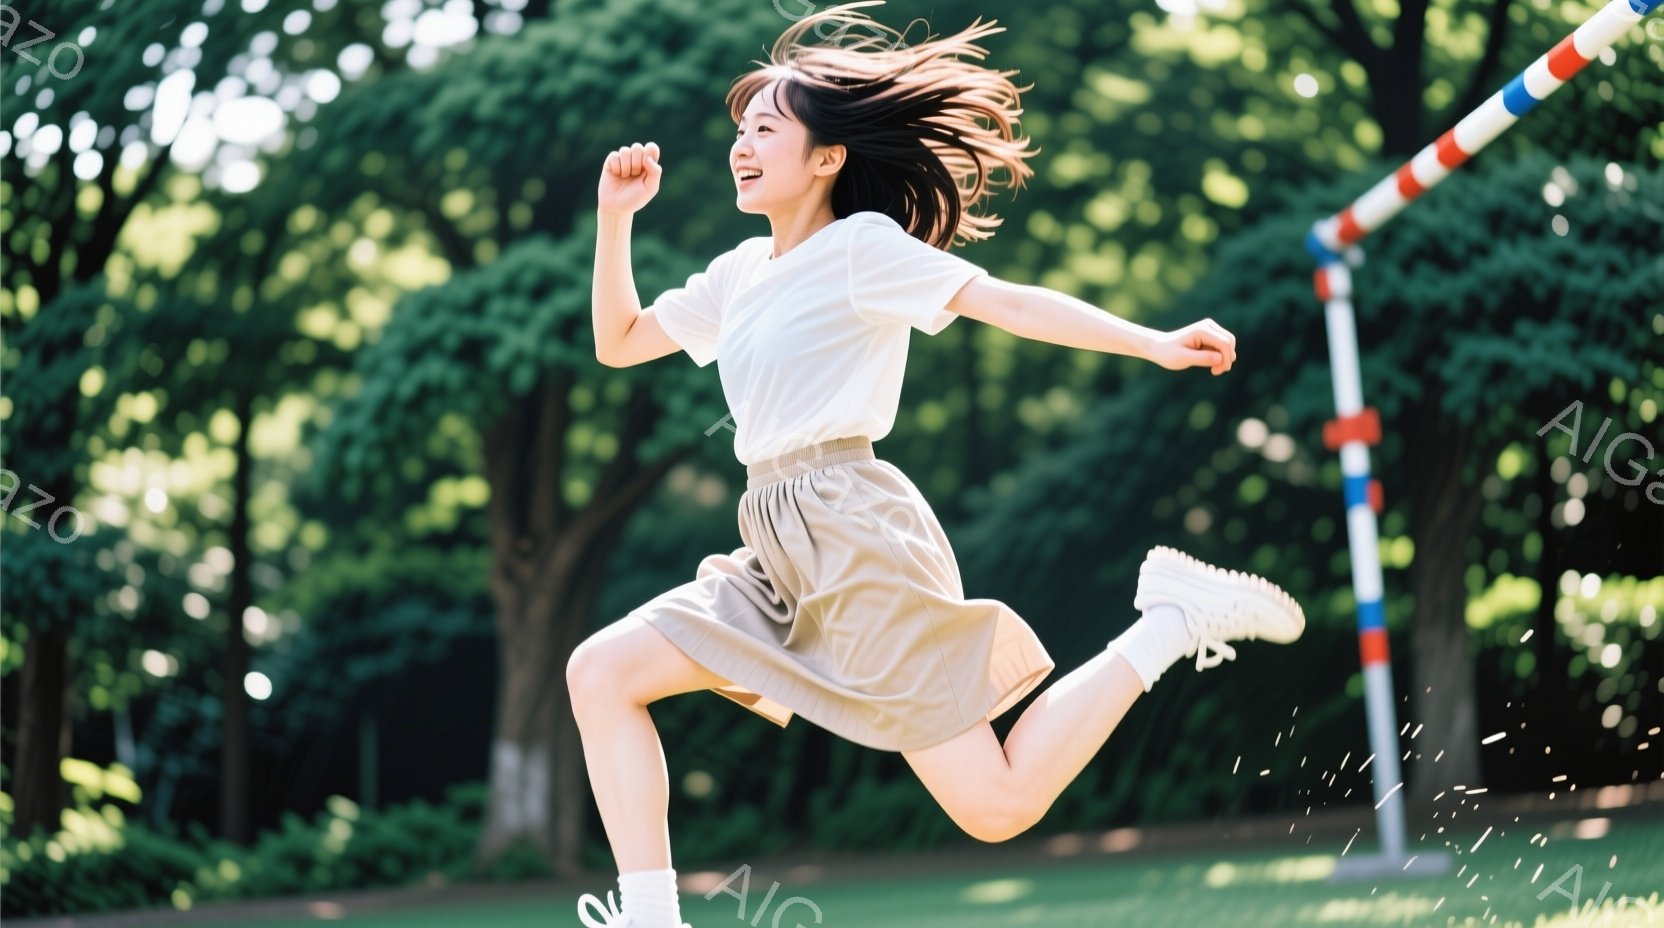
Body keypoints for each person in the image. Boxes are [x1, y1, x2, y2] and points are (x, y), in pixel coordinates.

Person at [574, 3, 1304, 925]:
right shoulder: (739, 274)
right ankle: (652, 916)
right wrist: (615, 219)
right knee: (601, 672)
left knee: (995, 806)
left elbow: (1010, 305)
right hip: (774, 542)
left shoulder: (859, 251)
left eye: (767, 128)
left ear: (828, 157)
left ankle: (1168, 621)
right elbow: (620, 340)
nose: (742, 145)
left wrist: (1154, 343)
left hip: (853, 526)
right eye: (740, 130)